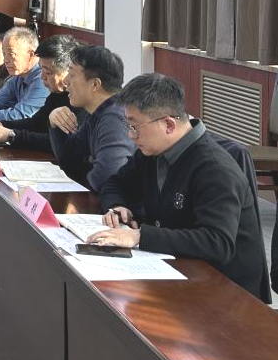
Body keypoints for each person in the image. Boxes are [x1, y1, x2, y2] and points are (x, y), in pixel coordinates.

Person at [89, 74, 270, 303]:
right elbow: (115, 183)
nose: (130, 135)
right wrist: (117, 205)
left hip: (226, 292)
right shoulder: (152, 151)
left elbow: (217, 242)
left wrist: (139, 236)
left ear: (168, 124)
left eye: (135, 127)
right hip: (177, 268)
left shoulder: (215, 168)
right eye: (128, 126)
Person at [48, 45, 135, 192]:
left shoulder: (114, 117)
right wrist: (54, 120)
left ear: (95, 84)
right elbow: (70, 161)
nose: (66, 81)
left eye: (72, 74)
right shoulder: (99, 112)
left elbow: (106, 177)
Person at [0, 34, 82, 153]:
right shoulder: (56, 94)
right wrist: (2, 124)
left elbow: (61, 143)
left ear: (69, 71)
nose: (42, 77)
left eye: (48, 72)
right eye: (41, 70)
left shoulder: (80, 100)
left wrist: (11, 135)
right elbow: (36, 123)